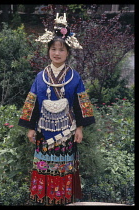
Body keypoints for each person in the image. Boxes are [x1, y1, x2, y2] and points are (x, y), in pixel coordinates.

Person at [18, 13, 95, 206]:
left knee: (63, 167)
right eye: (53, 49)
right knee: (43, 164)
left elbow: (80, 105)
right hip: (44, 131)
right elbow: (32, 103)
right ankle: (44, 198)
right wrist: (30, 127)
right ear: (48, 51)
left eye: (61, 49)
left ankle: (62, 199)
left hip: (66, 132)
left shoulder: (74, 77)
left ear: (67, 52)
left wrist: (80, 128)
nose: (57, 53)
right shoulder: (40, 77)